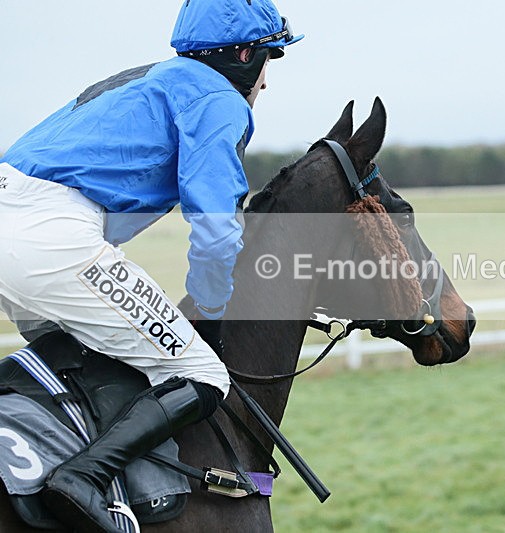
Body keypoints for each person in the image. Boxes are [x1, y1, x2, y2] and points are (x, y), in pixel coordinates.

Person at [0, 0, 302, 530]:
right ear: (245, 55)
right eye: (269, 59)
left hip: (18, 217)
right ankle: (83, 478)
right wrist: (210, 311)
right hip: (48, 238)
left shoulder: (146, 78)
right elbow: (215, 226)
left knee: (84, 358)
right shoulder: (219, 99)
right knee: (201, 374)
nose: (265, 81)